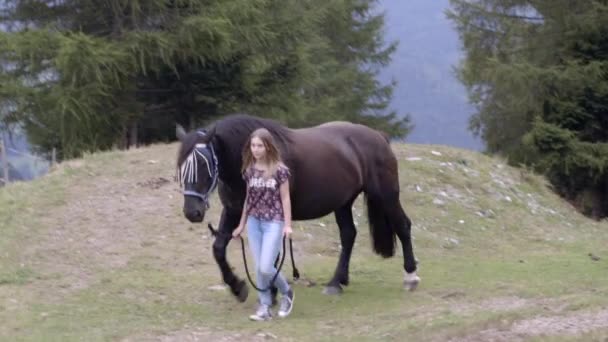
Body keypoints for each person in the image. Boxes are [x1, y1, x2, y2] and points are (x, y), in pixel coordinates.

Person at [232, 128, 295, 321]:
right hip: (254, 222)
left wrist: (287, 224)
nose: (256, 149)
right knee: (259, 266)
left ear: (268, 146)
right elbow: (248, 200)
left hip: (273, 222)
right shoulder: (249, 170)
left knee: (266, 267)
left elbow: (285, 198)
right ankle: (265, 306)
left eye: (260, 145)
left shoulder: (280, 171)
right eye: (253, 145)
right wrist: (241, 224)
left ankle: (287, 292)